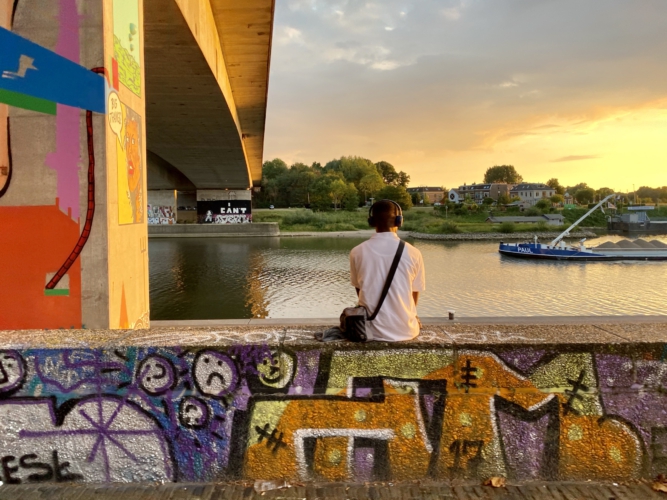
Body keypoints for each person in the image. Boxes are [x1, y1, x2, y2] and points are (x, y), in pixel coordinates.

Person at [349, 199, 425, 341]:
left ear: (371, 222)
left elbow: (360, 292)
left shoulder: (357, 252)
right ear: (399, 220)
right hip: (407, 331)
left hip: (370, 332)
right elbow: (414, 295)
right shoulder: (414, 253)